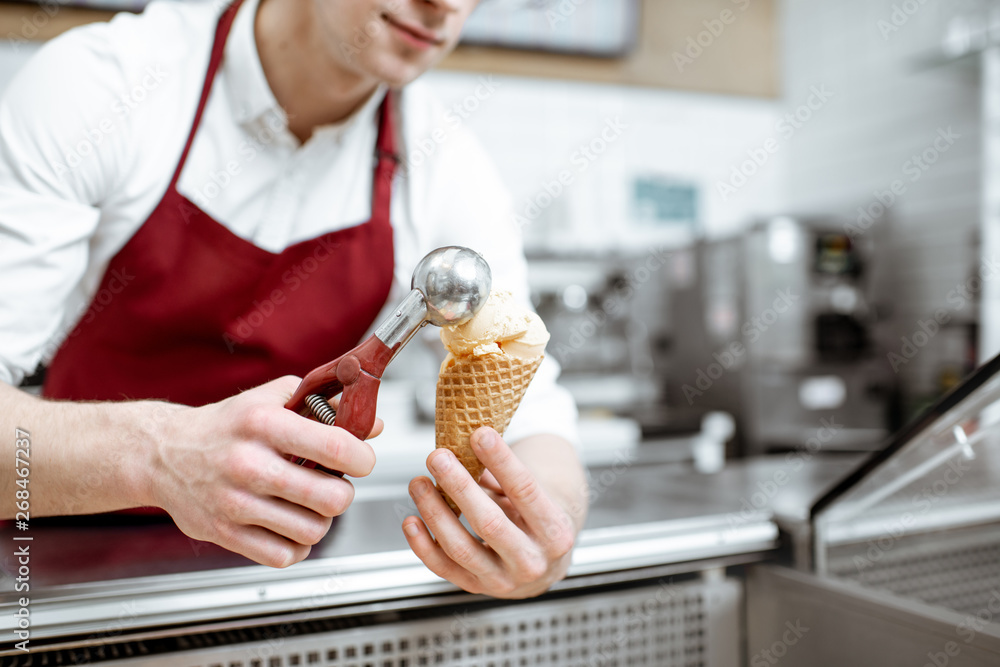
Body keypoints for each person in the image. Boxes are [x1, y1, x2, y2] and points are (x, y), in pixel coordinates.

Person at [0, 0, 587, 599]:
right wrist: (158, 456)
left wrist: (546, 524)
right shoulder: (105, 86)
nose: (447, 6)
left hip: (280, 581)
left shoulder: (445, 168)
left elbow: (534, 411)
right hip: (56, 570)